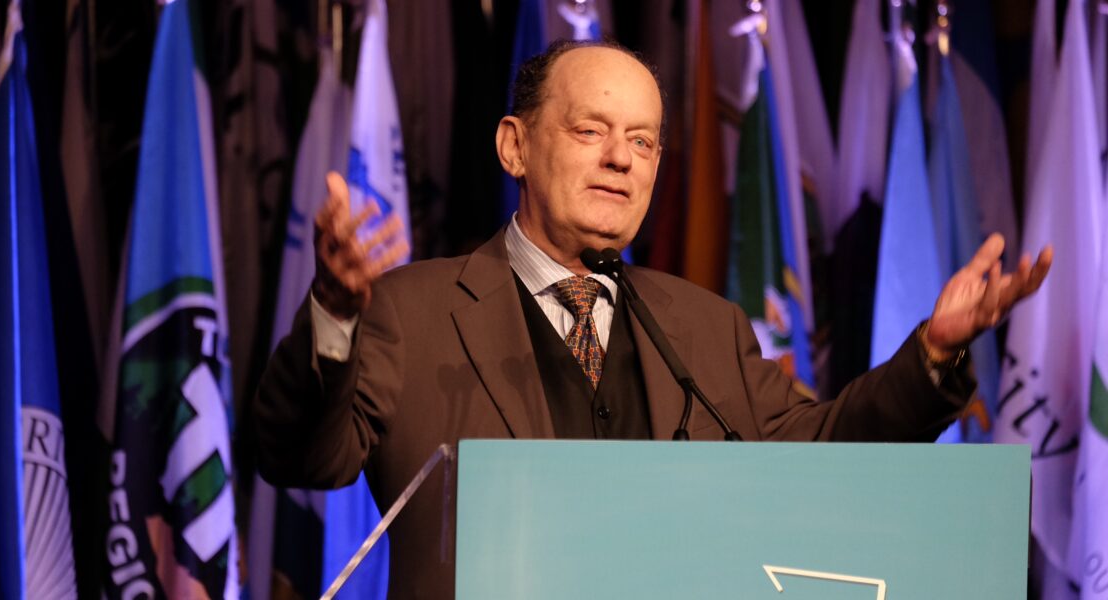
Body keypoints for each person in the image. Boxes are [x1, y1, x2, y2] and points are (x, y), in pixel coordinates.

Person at [254, 40, 1052, 599]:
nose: (622, 158)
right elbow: (300, 457)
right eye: (590, 130)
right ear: (514, 146)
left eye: (643, 140)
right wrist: (333, 315)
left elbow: (824, 457)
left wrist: (934, 354)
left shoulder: (705, 328)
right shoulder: (412, 309)